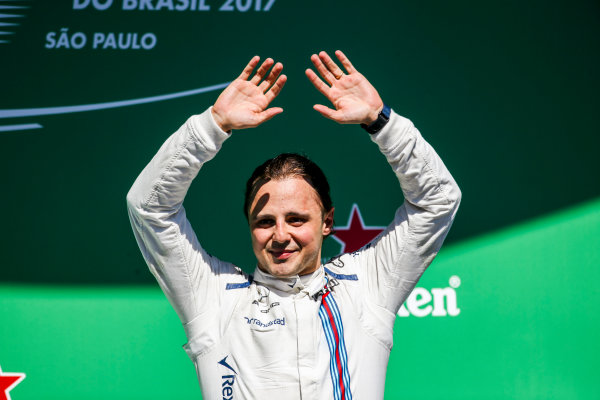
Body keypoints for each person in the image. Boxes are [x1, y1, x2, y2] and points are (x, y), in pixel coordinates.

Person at [127, 50, 461, 400]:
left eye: (297, 219)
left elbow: (438, 200)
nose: (280, 235)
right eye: (265, 222)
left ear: (327, 221)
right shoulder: (214, 299)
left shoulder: (367, 285)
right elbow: (150, 208)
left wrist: (382, 123)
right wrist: (212, 125)